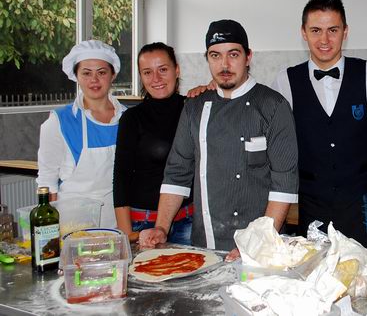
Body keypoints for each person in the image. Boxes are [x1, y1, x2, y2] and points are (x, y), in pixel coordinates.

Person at [139, 20, 299, 260]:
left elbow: (284, 183)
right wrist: (161, 227)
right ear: (207, 58)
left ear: (248, 57)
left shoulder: (273, 106)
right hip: (206, 244)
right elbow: (177, 173)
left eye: (233, 54)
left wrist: (258, 243)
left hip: (261, 246)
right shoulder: (195, 107)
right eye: (215, 55)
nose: (224, 65)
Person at [272, 0, 367, 251]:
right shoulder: (285, 81)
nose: (324, 40)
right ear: (303, 33)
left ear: (345, 31)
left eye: (332, 30)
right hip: (313, 204)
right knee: (315, 269)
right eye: (316, 30)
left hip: (363, 205)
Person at [37, 40, 126, 228]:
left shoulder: (128, 118)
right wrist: (50, 230)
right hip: (73, 221)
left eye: (101, 72)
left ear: (113, 75)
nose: (94, 80)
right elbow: (47, 180)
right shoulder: (60, 121)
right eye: (86, 73)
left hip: (118, 219)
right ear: (76, 76)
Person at [113, 42, 193, 244]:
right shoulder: (132, 118)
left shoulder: (194, 109)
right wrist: (127, 235)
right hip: (144, 224)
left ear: (177, 70)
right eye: (147, 72)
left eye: (163, 70)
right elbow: (121, 177)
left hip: (189, 222)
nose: (156, 79)